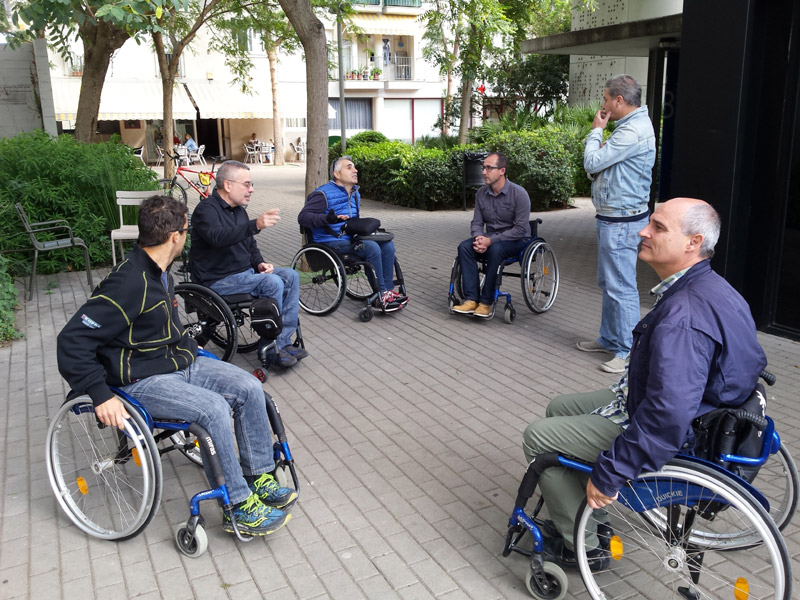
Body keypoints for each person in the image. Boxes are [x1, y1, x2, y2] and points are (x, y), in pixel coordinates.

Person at [521, 198, 766, 570]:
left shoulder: (683, 317)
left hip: (682, 429)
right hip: (700, 407)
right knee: (558, 409)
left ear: (693, 242)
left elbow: (667, 414)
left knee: (539, 438)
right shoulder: (714, 287)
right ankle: (586, 512)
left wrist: (612, 473)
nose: (643, 231)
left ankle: (583, 545)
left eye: (658, 227)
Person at [56, 195, 297, 537]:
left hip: (175, 361)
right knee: (212, 408)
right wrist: (98, 393)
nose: (188, 236)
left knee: (249, 387)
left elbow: (160, 326)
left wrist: (189, 345)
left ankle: (258, 474)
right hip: (140, 378)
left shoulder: (161, 273)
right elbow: (71, 340)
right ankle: (238, 505)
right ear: (175, 237)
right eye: (187, 230)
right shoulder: (129, 283)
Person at [189, 160, 306, 367]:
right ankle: (269, 347)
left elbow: (249, 244)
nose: (251, 190)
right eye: (247, 184)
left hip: (245, 274)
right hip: (217, 280)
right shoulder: (205, 210)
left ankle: (283, 340)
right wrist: (255, 225)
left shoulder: (238, 210)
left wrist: (260, 263)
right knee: (273, 283)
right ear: (227, 185)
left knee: (290, 276)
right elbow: (218, 237)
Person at [580, 74, 656, 373]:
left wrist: (596, 132)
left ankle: (627, 351)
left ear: (619, 100)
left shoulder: (631, 131)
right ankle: (610, 339)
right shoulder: (630, 127)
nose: (604, 104)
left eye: (606, 98)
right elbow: (598, 168)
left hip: (621, 221)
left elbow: (592, 164)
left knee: (621, 286)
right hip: (614, 217)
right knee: (609, 283)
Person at [298, 156, 408, 311]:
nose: (355, 170)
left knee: (387, 244)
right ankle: (381, 293)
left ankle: (388, 290)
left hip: (349, 238)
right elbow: (302, 217)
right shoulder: (323, 194)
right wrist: (327, 218)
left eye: (354, 167)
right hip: (329, 242)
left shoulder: (355, 194)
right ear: (337, 174)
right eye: (349, 167)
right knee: (371, 247)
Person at [451, 152, 531, 318]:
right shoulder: (481, 193)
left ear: (502, 170)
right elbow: (477, 222)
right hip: (490, 238)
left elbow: (521, 229)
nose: (484, 172)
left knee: (496, 249)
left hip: (515, 240)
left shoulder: (519, 194)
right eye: (483, 168)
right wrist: (478, 238)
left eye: (489, 168)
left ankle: (486, 302)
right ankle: (471, 299)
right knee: (465, 247)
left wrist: (490, 241)